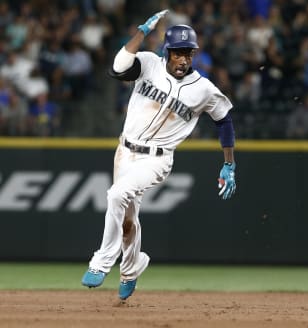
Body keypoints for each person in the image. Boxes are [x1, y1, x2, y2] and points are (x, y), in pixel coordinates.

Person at [81, 10, 237, 301]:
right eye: (178, 53)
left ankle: (101, 262)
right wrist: (140, 34)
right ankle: (131, 269)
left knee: (116, 195)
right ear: (168, 52)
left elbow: (225, 121)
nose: (184, 59)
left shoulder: (203, 88)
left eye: (188, 53)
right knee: (128, 219)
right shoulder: (150, 64)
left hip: (157, 159)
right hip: (124, 152)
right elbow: (118, 67)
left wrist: (229, 163)